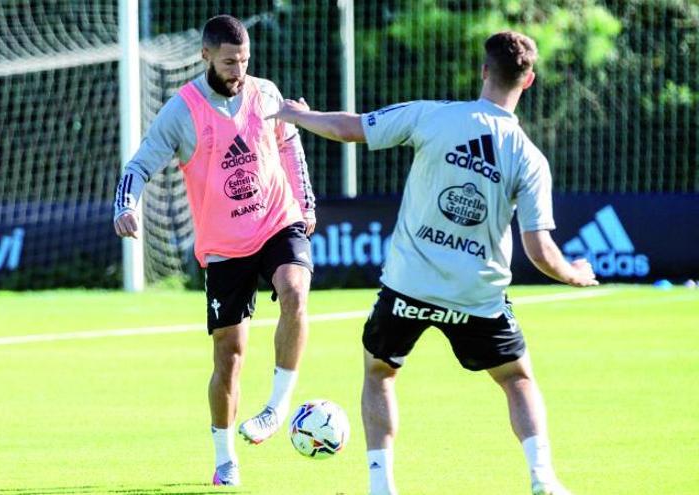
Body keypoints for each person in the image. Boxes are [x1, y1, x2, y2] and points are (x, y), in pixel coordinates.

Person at [268, 31, 597, 495]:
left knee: (380, 374)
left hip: (409, 286)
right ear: (529, 81)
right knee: (518, 380)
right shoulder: (530, 157)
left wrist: (299, 115)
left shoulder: (432, 116)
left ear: (484, 71)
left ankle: (381, 485)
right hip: (477, 295)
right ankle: (542, 476)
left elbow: (350, 128)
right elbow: (541, 251)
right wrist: (574, 274)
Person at [113, 14, 316, 487]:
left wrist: (304, 202)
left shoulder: (264, 93)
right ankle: (225, 457)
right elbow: (140, 164)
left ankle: (277, 405)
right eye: (229, 61)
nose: (238, 70)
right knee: (230, 353)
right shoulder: (182, 111)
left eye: (244, 60)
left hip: (276, 219)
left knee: (295, 290)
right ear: (205, 56)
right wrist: (125, 204)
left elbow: (290, 142)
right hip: (224, 246)